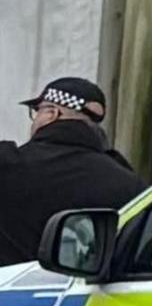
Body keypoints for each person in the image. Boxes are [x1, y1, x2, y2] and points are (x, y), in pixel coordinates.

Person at [0, 78, 143, 267]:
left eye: (37, 111)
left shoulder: (9, 164)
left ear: (52, 113)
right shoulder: (129, 182)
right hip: (88, 294)